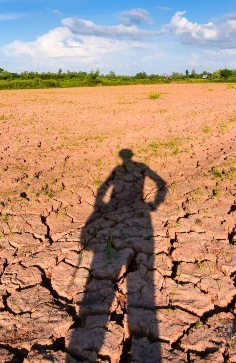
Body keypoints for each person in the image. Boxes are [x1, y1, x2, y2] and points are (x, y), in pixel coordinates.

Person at [68, 148, 168, 361]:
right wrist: (154, 204)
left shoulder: (125, 168)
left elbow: (104, 188)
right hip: (138, 215)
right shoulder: (140, 167)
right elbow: (160, 184)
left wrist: (100, 204)